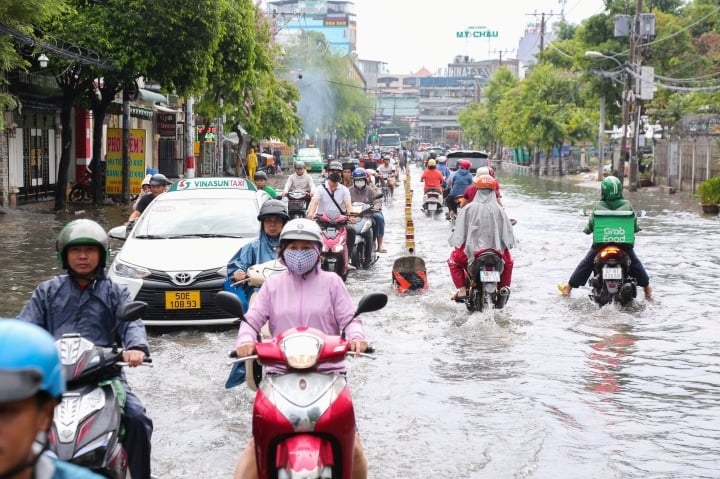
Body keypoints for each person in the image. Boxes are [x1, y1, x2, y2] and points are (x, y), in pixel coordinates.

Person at [232, 219, 370, 479]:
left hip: (329, 374)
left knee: (355, 451)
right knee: (254, 449)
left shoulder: (332, 283)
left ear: (318, 250)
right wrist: (245, 342)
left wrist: (356, 337)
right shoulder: (272, 285)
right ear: (282, 251)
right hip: (279, 374)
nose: (298, 252)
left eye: (305, 246)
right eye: (292, 247)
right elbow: (252, 320)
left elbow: (351, 319)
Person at [17, 219, 153, 479]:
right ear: (64, 255)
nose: (82, 256)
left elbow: (132, 323)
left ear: (102, 254)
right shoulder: (47, 291)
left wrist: (136, 348)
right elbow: (26, 328)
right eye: (75, 250)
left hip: (104, 377)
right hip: (53, 378)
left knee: (137, 419)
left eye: (89, 250)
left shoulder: (116, 292)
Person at [0, 318, 105, 479]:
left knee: (136, 415)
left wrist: (136, 347)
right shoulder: (48, 292)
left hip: (99, 371)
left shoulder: (112, 294)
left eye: (4, 411)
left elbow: (131, 327)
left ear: (45, 415)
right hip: (66, 369)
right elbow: (26, 320)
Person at [558, 175, 652, 298]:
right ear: (619, 190)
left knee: (586, 263)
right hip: (623, 245)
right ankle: (647, 289)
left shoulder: (598, 205)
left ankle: (568, 288)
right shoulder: (628, 205)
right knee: (635, 263)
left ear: (603, 191)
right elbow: (634, 226)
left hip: (601, 245)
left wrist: (587, 230)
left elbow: (591, 226)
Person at [448, 175, 515, 303]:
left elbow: (460, 231)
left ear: (477, 190)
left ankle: (462, 290)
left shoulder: (468, 208)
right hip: (495, 252)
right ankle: (503, 288)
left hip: (472, 252)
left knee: (453, 261)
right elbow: (507, 233)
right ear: (493, 191)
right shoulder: (500, 210)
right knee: (509, 262)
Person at [227, 199, 289, 297]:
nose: (272, 225)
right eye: (268, 221)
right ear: (262, 224)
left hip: (288, 293)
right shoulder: (252, 247)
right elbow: (238, 265)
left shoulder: (292, 246)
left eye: (277, 221)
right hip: (259, 294)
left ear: (283, 224)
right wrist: (239, 272)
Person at [349, 167, 386, 253]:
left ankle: (380, 244)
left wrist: (376, 205)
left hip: (368, 213)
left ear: (365, 180)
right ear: (354, 180)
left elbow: (377, 200)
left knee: (379, 217)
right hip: (353, 214)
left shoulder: (370, 190)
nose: (359, 181)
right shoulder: (348, 191)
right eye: (357, 180)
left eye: (361, 179)